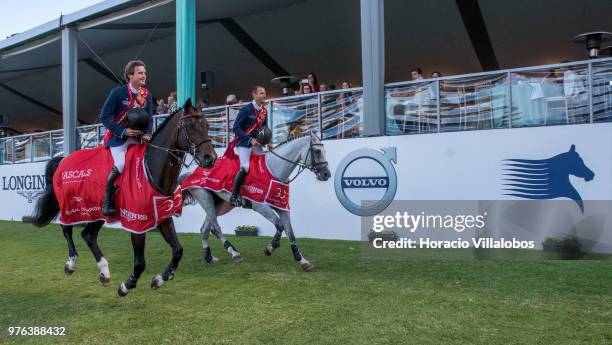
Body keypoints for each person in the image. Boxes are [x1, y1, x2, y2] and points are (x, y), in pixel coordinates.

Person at [99, 60, 153, 216]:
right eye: (140, 73)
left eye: (144, 72)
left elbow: (149, 118)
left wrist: (148, 133)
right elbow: (105, 117)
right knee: (121, 164)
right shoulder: (117, 93)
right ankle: (107, 201)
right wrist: (122, 131)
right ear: (130, 75)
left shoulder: (146, 95)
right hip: (119, 139)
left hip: (139, 139)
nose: (144, 75)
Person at [229, 86, 271, 206]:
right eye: (261, 93)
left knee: (264, 165)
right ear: (254, 95)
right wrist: (250, 139)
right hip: (244, 143)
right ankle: (234, 195)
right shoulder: (246, 109)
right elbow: (236, 128)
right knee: (246, 166)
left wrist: (268, 142)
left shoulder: (264, 111)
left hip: (257, 144)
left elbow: (265, 129)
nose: (264, 95)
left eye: (265, 93)